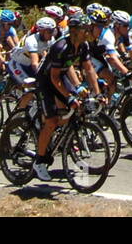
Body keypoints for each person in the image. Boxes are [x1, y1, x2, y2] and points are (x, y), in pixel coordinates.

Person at [32, 13, 99, 181]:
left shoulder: (83, 46)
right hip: (46, 81)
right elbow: (53, 78)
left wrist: (97, 93)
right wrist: (69, 96)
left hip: (61, 77)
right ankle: (39, 161)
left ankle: (57, 135)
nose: (89, 32)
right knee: (52, 121)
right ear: (76, 31)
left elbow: (89, 69)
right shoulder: (61, 46)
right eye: (86, 29)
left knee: (74, 109)